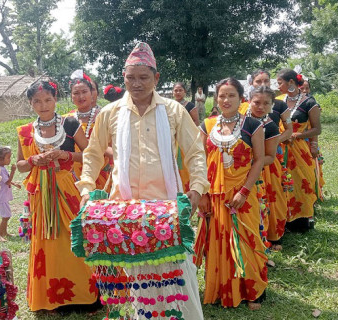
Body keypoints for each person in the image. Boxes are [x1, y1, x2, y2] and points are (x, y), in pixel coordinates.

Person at [77, 42, 208, 320]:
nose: (136, 84)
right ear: (123, 78)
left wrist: (197, 189)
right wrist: (87, 188)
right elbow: (92, 154)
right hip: (126, 213)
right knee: (141, 287)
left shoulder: (174, 111)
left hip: (168, 211)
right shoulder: (110, 113)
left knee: (180, 282)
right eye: (130, 78)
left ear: (156, 78)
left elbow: (196, 152)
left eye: (143, 77)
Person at [16, 81, 98, 312]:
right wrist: (33, 161)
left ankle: (85, 295)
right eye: (37, 101)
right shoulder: (26, 131)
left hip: (67, 189)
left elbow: (90, 154)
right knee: (47, 242)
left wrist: (66, 155)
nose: (43, 105)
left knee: (74, 237)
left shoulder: (70, 124)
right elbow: (20, 165)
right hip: (41, 194)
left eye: (48, 100)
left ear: (56, 99)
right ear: (31, 104)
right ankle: (50, 299)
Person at [194, 77, 268, 309]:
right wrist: (202, 194)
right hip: (213, 196)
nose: (226, 100)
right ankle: (220, 289)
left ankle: (251, 290)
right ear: (216, 98)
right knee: (216, 241)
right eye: (222, 96)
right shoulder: (207, 125)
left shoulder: (253, 126)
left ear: (241, 98)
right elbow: (199, 161)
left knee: (246, 239)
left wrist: (244, 192)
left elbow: (259, 161)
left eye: (231, 95)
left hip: (241, 196)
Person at [277, 69, 321, 231]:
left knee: (302, 182)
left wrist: (297, 134)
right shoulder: (278, 101)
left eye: (280, 82)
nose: (278, 86)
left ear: (291, 83)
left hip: (300, 150)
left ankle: (302, 220)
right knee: (282, 182)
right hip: (280, 147)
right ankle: (283, 219)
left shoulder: (309, 103)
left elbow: (317, 129)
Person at [246, 86, 288, 251]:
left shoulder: (270, 127)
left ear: (272, 105)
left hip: (264, 171)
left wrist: (251, 163)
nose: (260, 107)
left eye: (266, 103)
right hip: (237, 171)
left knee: (264, 203)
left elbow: (269, 156)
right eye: (256, 102)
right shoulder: (240, 120)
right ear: (249, 102)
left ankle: (265, 239)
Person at [65, 73, 112, 189]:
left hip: (101, 170)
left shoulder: (105, 116)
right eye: (76, 93)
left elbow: (114, 146)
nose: (81, 96)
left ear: (92, 94)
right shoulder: (65, 120)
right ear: (71, 96)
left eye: (84, 92)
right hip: (72, 175)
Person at [0, 146, 20, 242]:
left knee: (6, 215)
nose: (9, 160)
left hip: (3, 196)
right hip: (1, 197)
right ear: (0, 159)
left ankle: (4, 232)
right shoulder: (0, 169)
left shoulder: (2, 168)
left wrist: (14, 184)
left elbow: (5, 180)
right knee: (6, 216)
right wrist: (13, 171)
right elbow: (7, 182)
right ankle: (0, 234)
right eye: (8, 158)